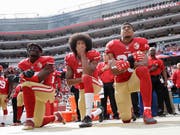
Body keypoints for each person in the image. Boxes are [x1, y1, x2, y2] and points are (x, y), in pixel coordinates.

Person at [105, 22, 157, 124]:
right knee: (126, 119)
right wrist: (129, 62)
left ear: (133, 32)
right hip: (120, 82)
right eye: (124, 27)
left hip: (135, 78)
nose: (127, 29)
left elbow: (145, 63)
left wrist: (126, 63)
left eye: (129, 27)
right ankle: (129, 111)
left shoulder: (140, 42)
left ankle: (147, 111)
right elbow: (113, 70)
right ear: (120, 32)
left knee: (143, 70)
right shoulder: (112, 45)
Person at [18, 43, 65, 130]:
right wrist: (21, 76)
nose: (32, 48)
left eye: (36, 48)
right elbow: (21, 80)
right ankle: (56, 117)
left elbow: (40, 78)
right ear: (27, 52)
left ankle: (29, 119)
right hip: (34, 93)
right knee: (38, 123)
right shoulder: (23, 64)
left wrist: (24, 76)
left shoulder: (47, 60)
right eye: (30, 47)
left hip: (47, 90)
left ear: (40, 52)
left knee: (26, 86)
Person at [65, 33, 103, 128]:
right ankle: (97, 112)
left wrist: (82, 55)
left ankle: (88, 116)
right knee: (83, 118)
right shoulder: (70, 58)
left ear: (87, 45)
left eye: (83, 43)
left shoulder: (93, 54)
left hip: (95, 84)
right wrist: (80, 80)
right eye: (78, 43)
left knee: (86, 77)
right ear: (74, 45)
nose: (81, 45)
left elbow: (88, 72)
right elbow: (69, 81)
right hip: (82, 88)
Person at [148, 47, 173, 115]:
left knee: (160, 95)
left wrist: (165, 80)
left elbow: (163, 71)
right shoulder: (146, 61)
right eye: (151, 50)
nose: (152, 51)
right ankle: (150, 112)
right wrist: (151, 69)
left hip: (158, 78)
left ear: (155, 52)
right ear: (149, 52)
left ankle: (160, 111)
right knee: (149, 96)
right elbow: (144, 71)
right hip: (150, 79)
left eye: (153, 50)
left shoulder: (159, 60)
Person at [97, 53, 119, 120]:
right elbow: (97, 73)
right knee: (103, 101)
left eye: (105, 55)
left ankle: (115, 114)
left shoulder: (112, 63)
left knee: (113, 100)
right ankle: (104, 115)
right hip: (102, 85)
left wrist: (115, 82)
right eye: (103, 56)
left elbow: (116, 73)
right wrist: (104, 69)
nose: (104, 57)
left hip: (111, 83)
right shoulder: (100, 64)